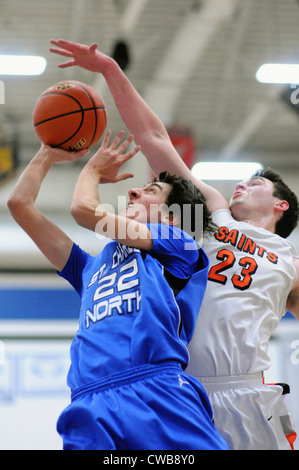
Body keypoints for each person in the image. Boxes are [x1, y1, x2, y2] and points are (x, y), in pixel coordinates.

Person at [49, 39, 299, 450]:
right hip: (180, 389)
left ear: (280, 204)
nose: (240, 183)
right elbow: (153, 137)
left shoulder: (291, 264)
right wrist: (110, 69)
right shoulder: (208, 218)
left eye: (255, 183)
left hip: (250, 393)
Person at [7, 130, 227, 450]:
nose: (133, 192)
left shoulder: (179, 245)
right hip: (89, 403)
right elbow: (19, 204)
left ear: (171, 217)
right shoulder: (88, 267)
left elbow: (83, 211)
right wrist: (48, 152)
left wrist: (92, 170)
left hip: (156, 393)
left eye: (150, 190)